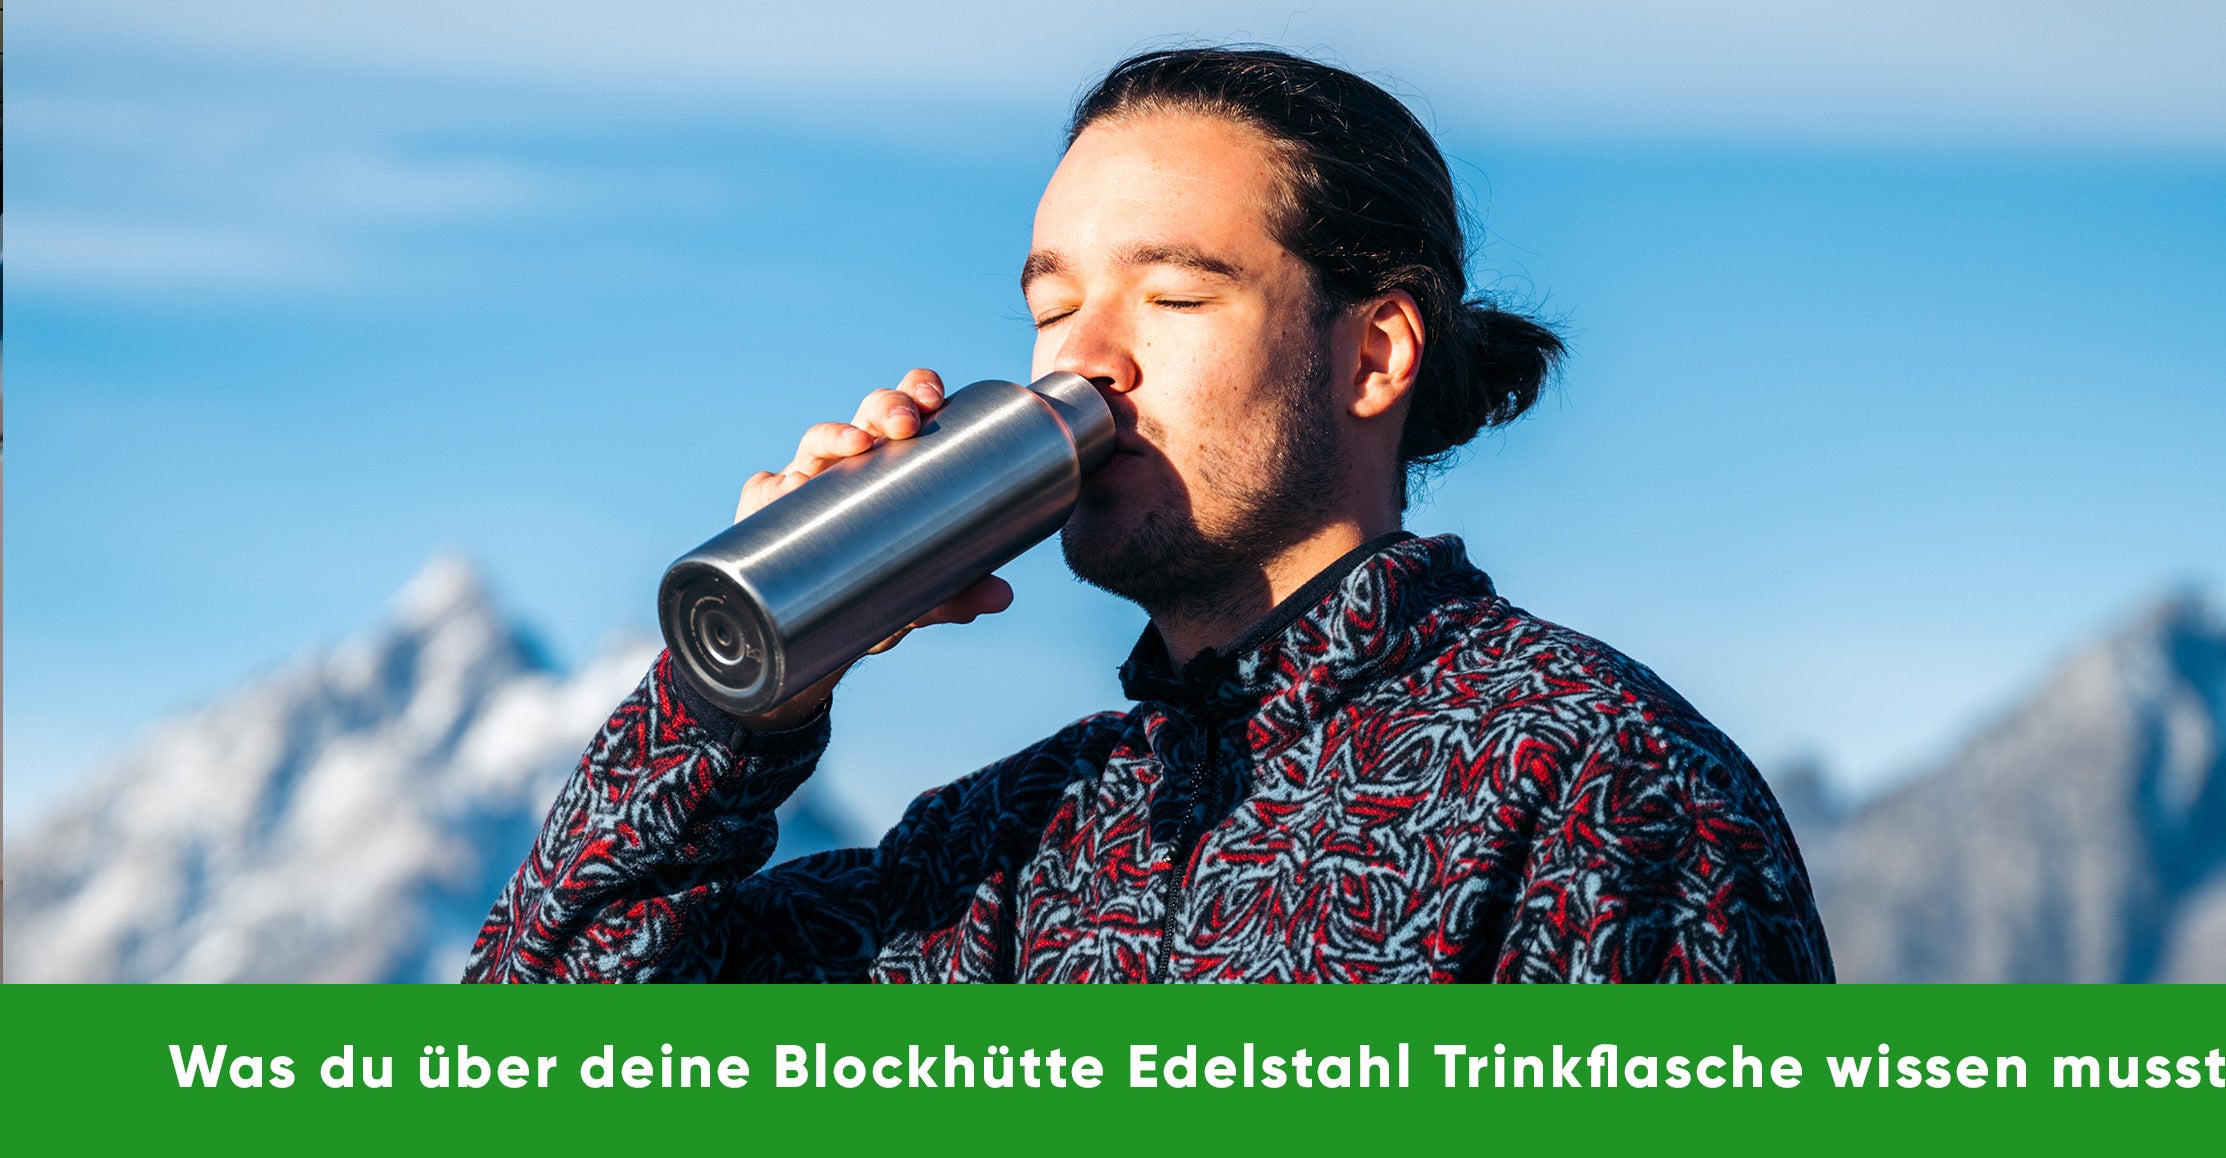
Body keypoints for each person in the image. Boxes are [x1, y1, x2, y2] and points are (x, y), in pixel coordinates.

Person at [464, 47, 1834, 983]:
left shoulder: (1596, 777)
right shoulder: (1014, 843)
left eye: (1172, 297)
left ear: (1375, 354)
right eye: (1051, 304)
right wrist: (741, 697)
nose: (1084, 359)